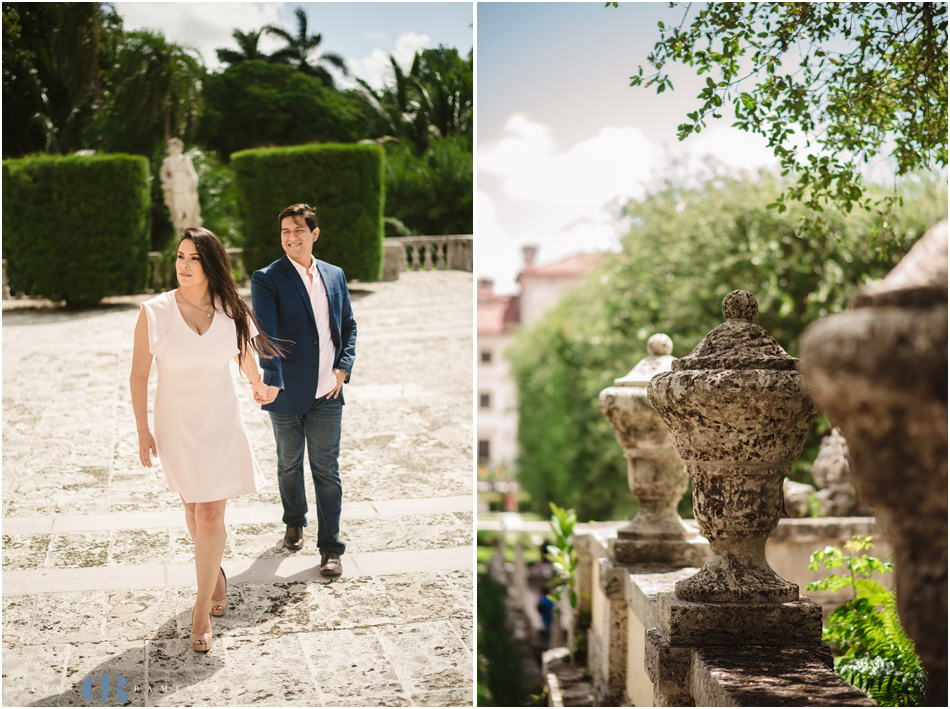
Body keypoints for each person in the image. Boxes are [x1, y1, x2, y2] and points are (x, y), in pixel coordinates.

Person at [130, 227, 279, 653]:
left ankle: (200, 608)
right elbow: (139, 375)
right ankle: (214, 575)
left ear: (211, 264)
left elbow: (245, 356)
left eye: (193, 258)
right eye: (179, 256)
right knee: (194, 508)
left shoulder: (231, 309)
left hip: (220, 420)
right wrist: (144, 430)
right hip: (175, 423)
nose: (183, 265)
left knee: (211, 513)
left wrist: (259, 385)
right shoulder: (154, 311)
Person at [250, 203, 357, 577]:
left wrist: (344, 367)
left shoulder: (335, 275)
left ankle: (330, 547)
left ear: (314, 233)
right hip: (287, 393)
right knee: (289, 463)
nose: (291, 238)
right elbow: (265, 334)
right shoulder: (267, 277)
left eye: (298, 230)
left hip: (328, 391)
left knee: (326, 469)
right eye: (285, 232)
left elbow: (348, 324)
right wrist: (273, 381)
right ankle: (294, 520)